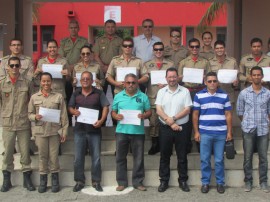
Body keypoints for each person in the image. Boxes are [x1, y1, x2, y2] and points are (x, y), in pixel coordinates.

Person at [69, 71, 109, 192]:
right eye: (83, 79)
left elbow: (106, 107)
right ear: (80, 81)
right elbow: (70, 107)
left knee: (96, 158)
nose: (85, 80)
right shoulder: (76, 93)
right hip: (79, 130)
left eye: (88, 78)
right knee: (78, 158)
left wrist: (102, 120)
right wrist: (73, 112)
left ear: (92, 80)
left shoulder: (99, 93)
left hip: (94, 130)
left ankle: (96, 181)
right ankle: (79, 181)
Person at [193, 71, 233, 194]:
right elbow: (195, 115)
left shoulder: (224, 96)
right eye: (209, 81)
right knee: (204, 159)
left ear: (217, 82)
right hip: (205, 133)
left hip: (221, 133)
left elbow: (228, 114)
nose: (212, 83)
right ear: (205, 82)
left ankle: (220, 183)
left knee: (219, 160)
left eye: (214, 81)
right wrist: (196, 132)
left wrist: (229, 132)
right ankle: (205, 183)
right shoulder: (198, 96)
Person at [28, 72, 68, 193]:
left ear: (52, 82)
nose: (46, 83)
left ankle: (55, 180)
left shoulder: (58, 96)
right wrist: (35, 116)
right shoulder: (34, 97)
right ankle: (43, 181)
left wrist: (64, 132)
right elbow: (29, 114)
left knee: (54, 157)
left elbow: (64, 116)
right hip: (40, 132)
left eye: (48, 81)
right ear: (40, 82)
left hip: (54, 132)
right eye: (44, 81)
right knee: (42, 157)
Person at [0, 57, 35, 192]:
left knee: (25, 152)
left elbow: (32, 101)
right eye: (12, 65)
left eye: (16, 65)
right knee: (8, 152)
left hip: (23, 123)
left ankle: (27, 179)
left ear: (20, 67)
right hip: (8, 122)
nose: (14, 68)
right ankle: (7, 180)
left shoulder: (27, 83)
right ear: (7, 67)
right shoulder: (2, 83)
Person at [111, 73, 151, 192]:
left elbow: (149, 112)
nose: (130, 85)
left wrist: (144, 115)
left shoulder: (143, 96)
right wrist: (115, 116)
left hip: (138, 132)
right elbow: (113, 112)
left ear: (137, 83)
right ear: (124, 83)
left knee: (138, 158)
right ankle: (122, 182)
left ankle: (138, 182)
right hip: (121, 131)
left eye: (133, 82)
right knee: (120, 158)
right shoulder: (118, 96)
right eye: (128, 82)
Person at [155, 67, 192, 192]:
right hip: (165, 128)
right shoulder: (161, 92)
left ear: (178, 77)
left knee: (182, 156)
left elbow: (187, 109)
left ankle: (183, 180)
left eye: (174, 77)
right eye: (169, 77)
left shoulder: (185, 91)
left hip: (182, 128)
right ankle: (164, 181)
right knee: (164, 155)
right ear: (166, 78)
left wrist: (174, 118)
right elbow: (158, 109)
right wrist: (169, 121)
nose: (172, 79)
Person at [237, 66, 270, 193]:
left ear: (262, 76)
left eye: (258, 75)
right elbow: (240, 112)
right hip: (248, 129)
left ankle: (263, 182)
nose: (256, 77)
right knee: (247, 157)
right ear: (250, 77)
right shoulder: (244, 93)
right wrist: (246, 122)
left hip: (263, 130)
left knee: (263, 157)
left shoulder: (267, 93)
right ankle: (248, 182)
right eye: (254, 75)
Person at [178, 38, 209, 153]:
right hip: (188, 91)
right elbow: (178, 80)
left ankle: (200, 142)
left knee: (201, 117)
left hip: (201, 91)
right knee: (187, 119)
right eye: (192, 47)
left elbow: (209, 78)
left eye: (197, 47)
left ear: (199, 48)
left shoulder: (205, 62)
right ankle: (187, 143)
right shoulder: (183, 62)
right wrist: (181, 77)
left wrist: (205, 77)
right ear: (189, 48)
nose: (194, 49)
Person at [144, 42, 174, 155]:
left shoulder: (170, 64)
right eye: (156, 49)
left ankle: (166, 145)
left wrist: (166, 84)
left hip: (168, 98)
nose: (158, 51)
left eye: (160, 49)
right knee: (153, 122)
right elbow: (144, 80)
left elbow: (174, 79)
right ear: (153, 50)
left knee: (167, 122)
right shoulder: (147, 64)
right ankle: (155, 144)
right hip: (153, 97)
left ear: (163, 50)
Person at [58, 19, 88, 125]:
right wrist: (68, 68)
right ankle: (69, 121)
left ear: (78, 28)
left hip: (79, 71)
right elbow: (61, 56)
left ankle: (81, 120)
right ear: (68, 29)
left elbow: (85, 55)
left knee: (80, 97)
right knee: (68, 96)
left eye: (75, 27)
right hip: (67, 74)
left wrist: (73, 67)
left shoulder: (84, 41)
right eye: (71, 28)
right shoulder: (63, 42)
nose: (73, 29)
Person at [93, 19, 123, 95]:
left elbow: (120, 56)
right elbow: (96, 56)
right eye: (108, 27)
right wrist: (103, 66)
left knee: (116, 94)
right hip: (102, 71)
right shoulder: (99, 40)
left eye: (112, 27)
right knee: (100, 94)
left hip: (114, 71)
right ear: (105, 28)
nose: (110, 29)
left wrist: (110, 68)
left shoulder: (120, 40)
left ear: (115, 28)